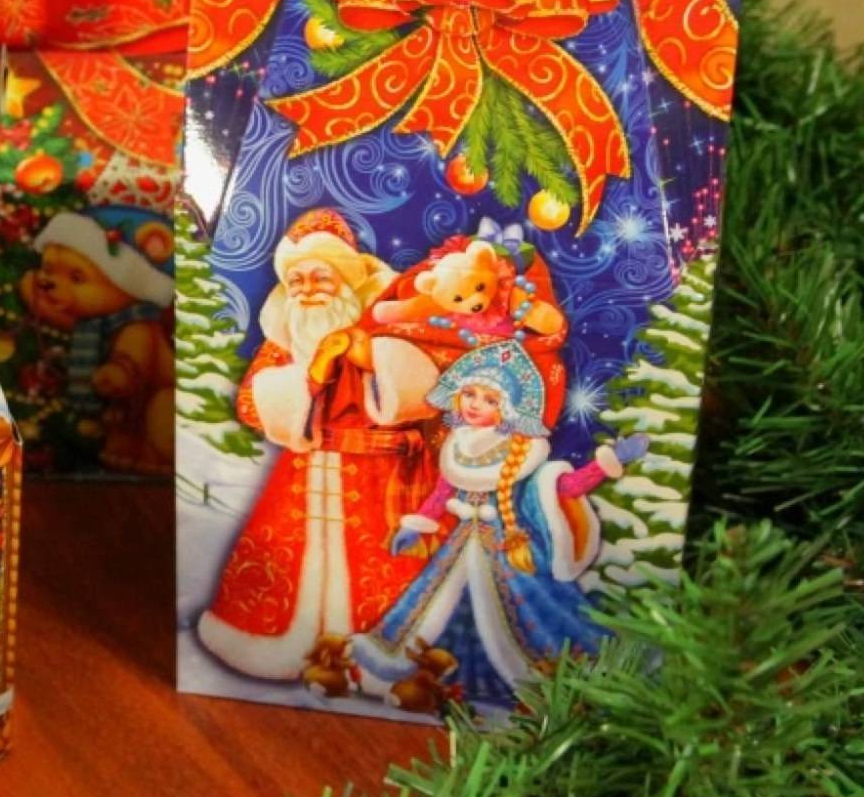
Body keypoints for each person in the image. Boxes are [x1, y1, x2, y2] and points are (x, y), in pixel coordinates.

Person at [196, 210, 443, 681]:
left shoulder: (384, 325)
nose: (308, 289)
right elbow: (251, 404)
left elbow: (427, 392)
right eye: (297, 280)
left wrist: (371, 359)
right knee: (294, 562)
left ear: (347, 279)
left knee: (380, 566)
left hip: (379, 478)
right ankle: (284, 650)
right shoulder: (284, 343)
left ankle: (374, 662)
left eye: (321, 277)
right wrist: (309, 376)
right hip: (304, 475)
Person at [349, 339, 647, 707]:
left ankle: (547, 684)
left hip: (511, 548)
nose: (475, 404)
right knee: (437, 603)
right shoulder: (458, 445)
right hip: (462, 544)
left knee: (532, 613)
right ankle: (441, 677)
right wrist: (418, 524)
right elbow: (442, 492)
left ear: (507, 408)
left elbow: (564, 488)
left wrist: (606, 463)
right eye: (470, 394)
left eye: (489, 399)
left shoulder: (522, 452)